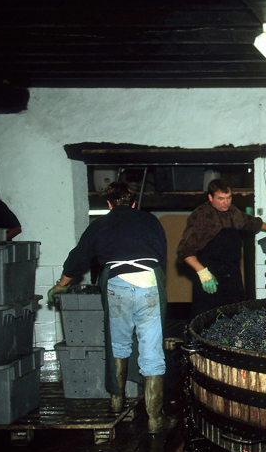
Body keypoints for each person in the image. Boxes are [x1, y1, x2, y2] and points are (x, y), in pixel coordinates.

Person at [47, 183, 175, 433]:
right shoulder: (150, 220)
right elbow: (161, 256)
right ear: (133, 203)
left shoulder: (101, 223)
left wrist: (61, 285)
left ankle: (117, 401)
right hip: (148, 280)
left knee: (118, 342)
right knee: (151, 349)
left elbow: (77, 258)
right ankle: (155, 418)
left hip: (116, 282)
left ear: (108, 204)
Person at [177, 178, 266, 317]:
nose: (226, 202)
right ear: (210, 197)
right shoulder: (201, 216)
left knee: (236, 317)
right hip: (210, 276)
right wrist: (203, 273)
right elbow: (184, 250)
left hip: (232, 276)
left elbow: (250, 222)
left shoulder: (232, 212)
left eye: (229, 198)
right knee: (208, 319)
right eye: (221, 199)